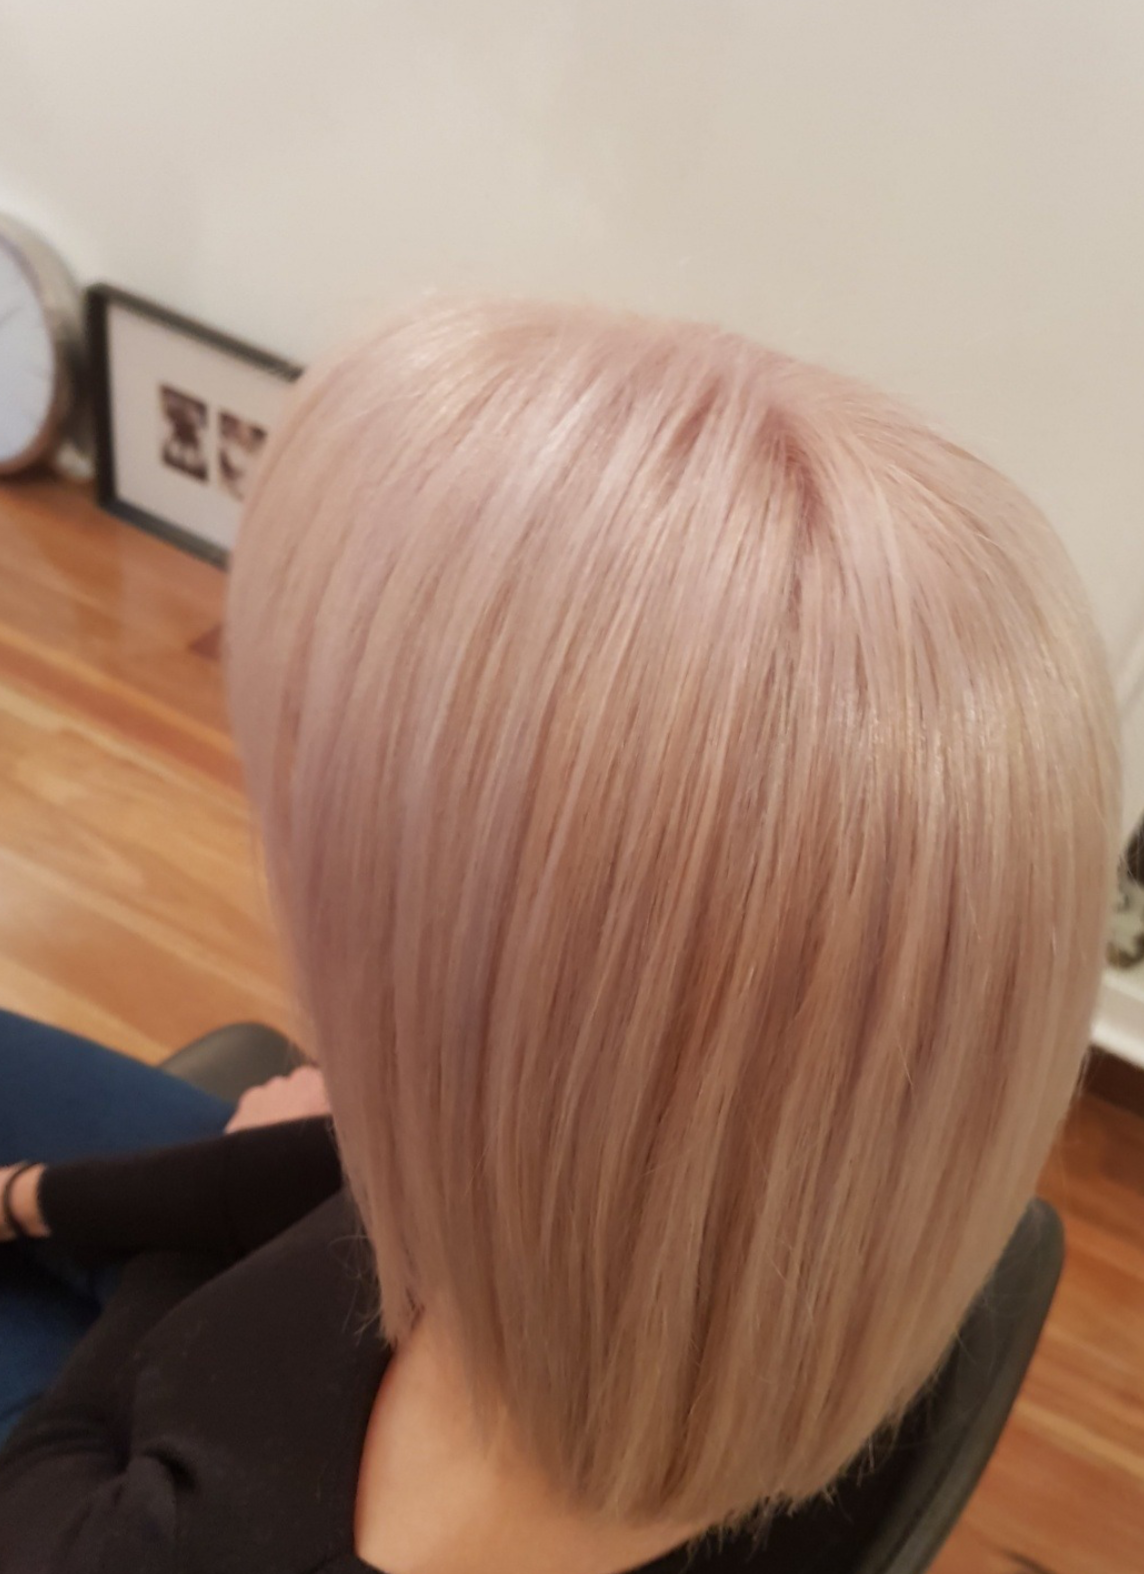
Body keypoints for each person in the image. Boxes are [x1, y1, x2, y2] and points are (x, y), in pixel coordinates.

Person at [0, 299, 1120, 1573]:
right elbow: (335, 1181)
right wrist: (42, 1199)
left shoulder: (205, 1535)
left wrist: (170, 1265)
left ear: (484, 1019)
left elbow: (55, 1472)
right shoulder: (847, 1224)